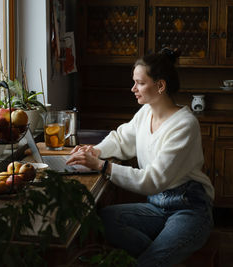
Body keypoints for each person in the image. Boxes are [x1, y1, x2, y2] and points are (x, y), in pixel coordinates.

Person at [66, 48, 214, 266]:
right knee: (104, 220)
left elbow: (153, 180)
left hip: (189, 208)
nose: (133, 88)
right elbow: (121, 139)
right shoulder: (146, 112)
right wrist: (95, 150)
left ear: (160, 86)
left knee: (150, 260)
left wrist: (102, 166)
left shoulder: (184, 124)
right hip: (157, 206)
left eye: (140, 83)